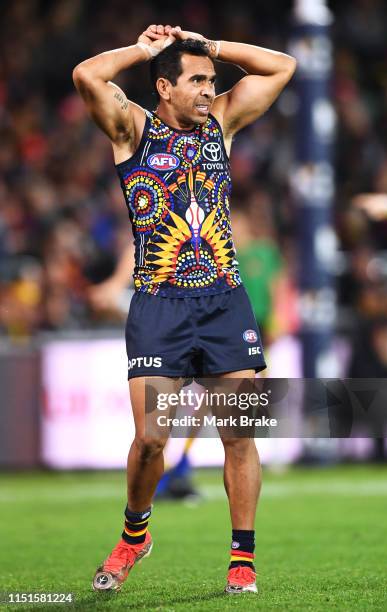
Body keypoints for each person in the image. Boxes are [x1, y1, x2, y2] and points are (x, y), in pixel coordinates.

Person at [73, 23, 296, 595]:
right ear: (164, 87)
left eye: (212, 81)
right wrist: (143, 51)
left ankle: (242, 558)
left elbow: (282, 66)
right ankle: (134, 534)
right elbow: (86, 75)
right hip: (159, 303)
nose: (207, 90)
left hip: (224, 299)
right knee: (151, 438)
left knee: (240, 436)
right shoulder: (132, 130)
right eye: (196, 80)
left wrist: (213, 47)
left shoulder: (222, 125)